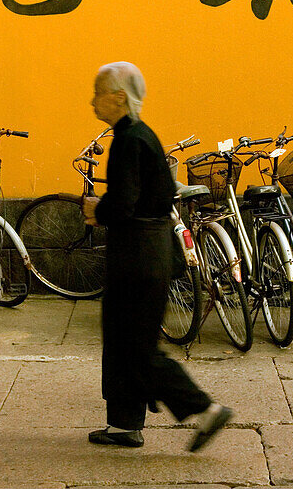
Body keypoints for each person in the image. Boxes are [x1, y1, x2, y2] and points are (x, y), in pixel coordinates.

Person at [82, 61, 232, 452]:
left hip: (138, 256)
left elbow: (125, 204)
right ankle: (123, 425)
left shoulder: (130, 140)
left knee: (135, 345)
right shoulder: (138, 135)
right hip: (146, 252)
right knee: (122, 339)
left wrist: (97, 210)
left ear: (118, 97)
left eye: (98, 93)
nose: (92, 101)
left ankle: (206, 408)